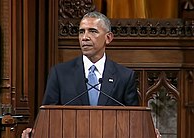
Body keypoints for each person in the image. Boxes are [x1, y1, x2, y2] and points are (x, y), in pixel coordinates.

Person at [22, 11, 161, 138]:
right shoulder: (59, 73)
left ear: (108, 38)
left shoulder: (124, 76)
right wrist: (34, 132)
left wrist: (147, 131)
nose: (85, 37)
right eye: (81, 32)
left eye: (92, 31)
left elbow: (134, 120)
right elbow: (47, 117)